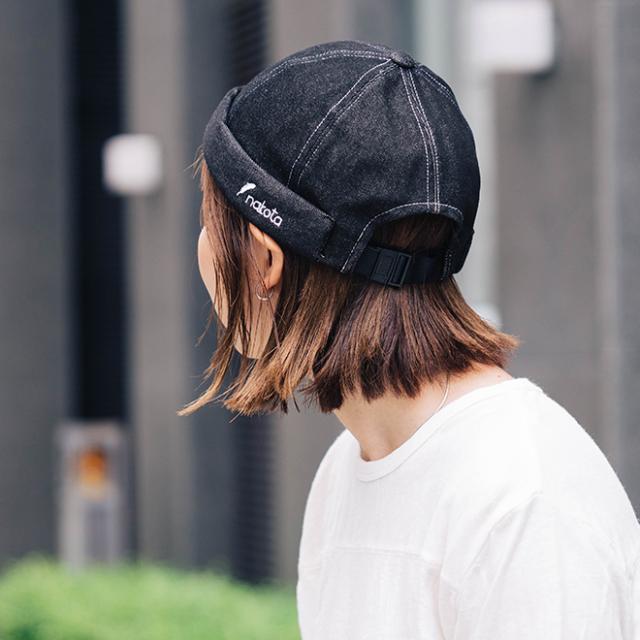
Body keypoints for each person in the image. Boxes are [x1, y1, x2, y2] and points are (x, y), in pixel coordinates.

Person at [180, 39, 640, 639]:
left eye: (208, 221)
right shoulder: (347, 470)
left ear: (265, 260)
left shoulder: (522, 498)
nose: (202, 247)